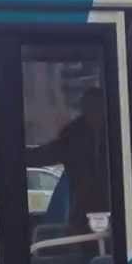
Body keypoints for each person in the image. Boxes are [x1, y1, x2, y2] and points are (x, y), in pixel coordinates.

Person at [24, 87, 109, 234]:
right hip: (82, 211)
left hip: (116, 210)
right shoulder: (74, 136)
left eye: (98, 106)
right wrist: (10, 153)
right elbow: (45, 155)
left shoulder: (118, 131)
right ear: (84, 109)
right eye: (89, 107)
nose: (94, 112)